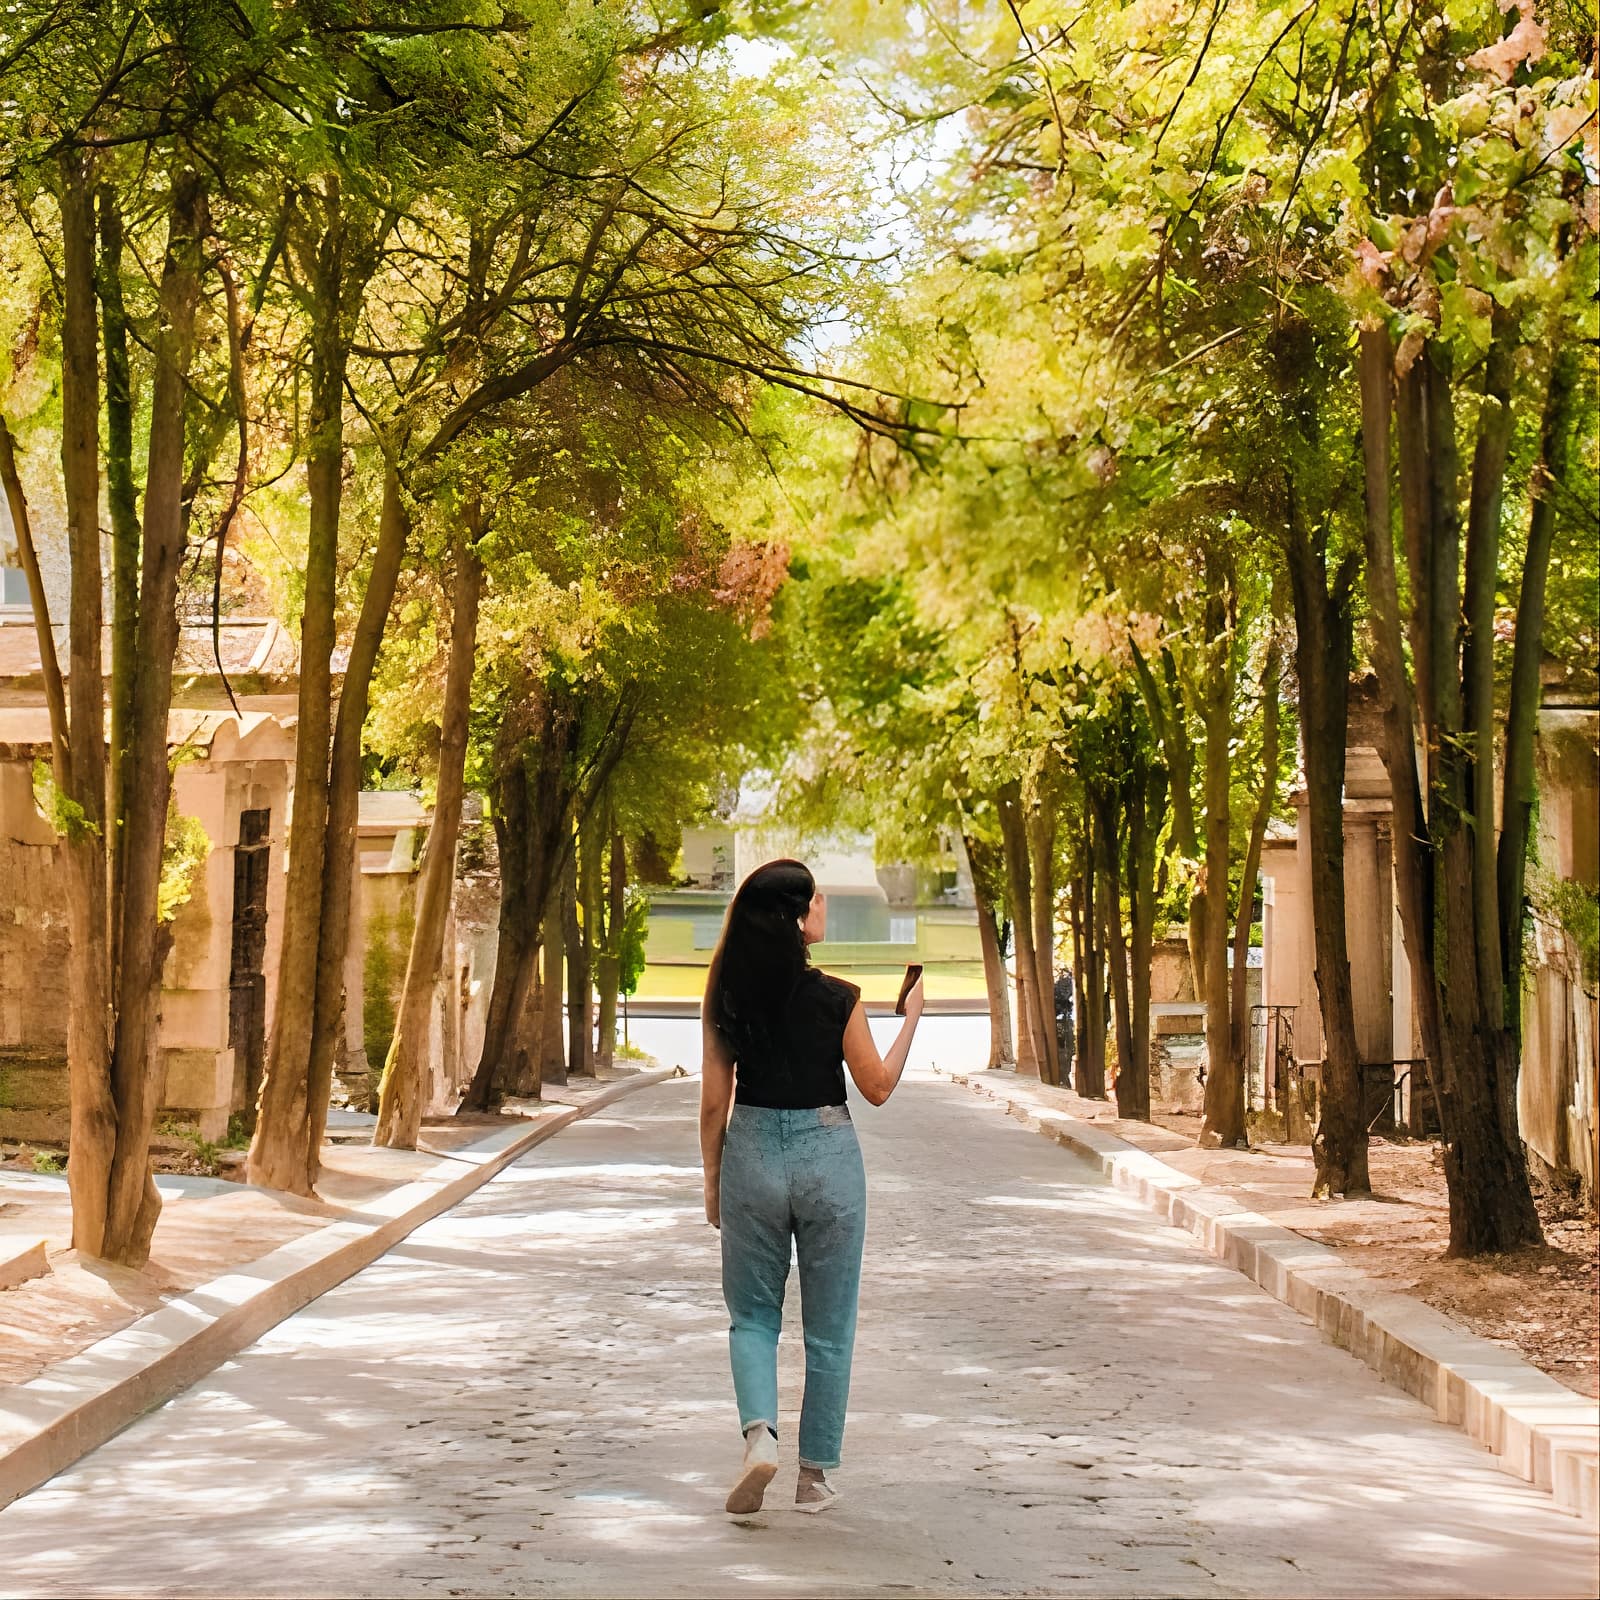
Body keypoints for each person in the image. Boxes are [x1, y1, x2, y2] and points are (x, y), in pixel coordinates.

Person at [699, 859, 924, 1516]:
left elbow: (716, 1102)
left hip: (753, 1153)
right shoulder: (840, 997)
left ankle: (761, 1436)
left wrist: (715, 1182)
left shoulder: (727, 996)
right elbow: (877, 1087)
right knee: (830, 1329)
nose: (824, 904)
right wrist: (910, 1017)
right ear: (798, 920)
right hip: (829, 1157)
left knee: (752, 1316)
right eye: (816, 898)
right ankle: (814, 1476)